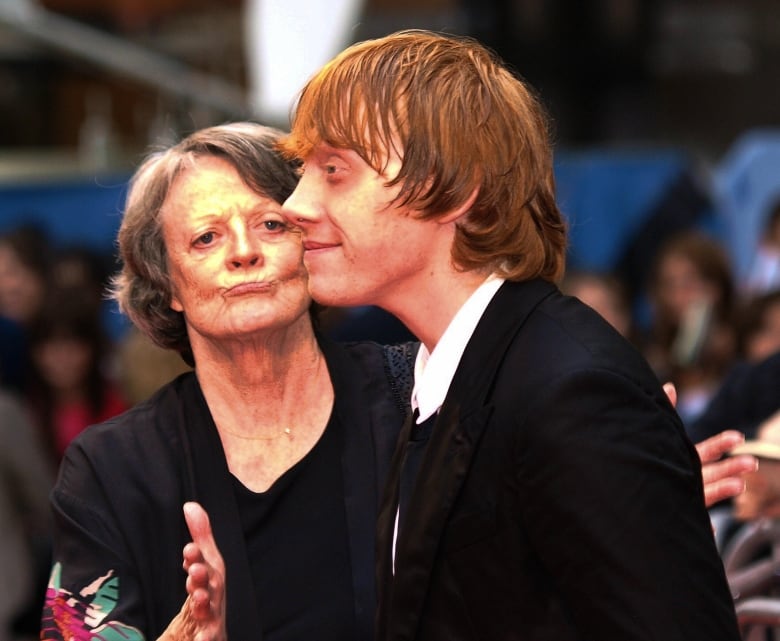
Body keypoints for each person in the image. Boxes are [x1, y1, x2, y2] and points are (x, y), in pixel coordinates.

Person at [279, 29, 741, 640]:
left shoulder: (573, 391)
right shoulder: (446, 374)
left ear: (454, 190)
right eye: (303, 169)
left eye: (335, 169)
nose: (295, 202)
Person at [41, 122, 407, 641]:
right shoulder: (110, 469)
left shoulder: (416, 398)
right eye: (206, 237)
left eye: (272, 225)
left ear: (312, 245)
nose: (243, 252)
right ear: (167, 284)